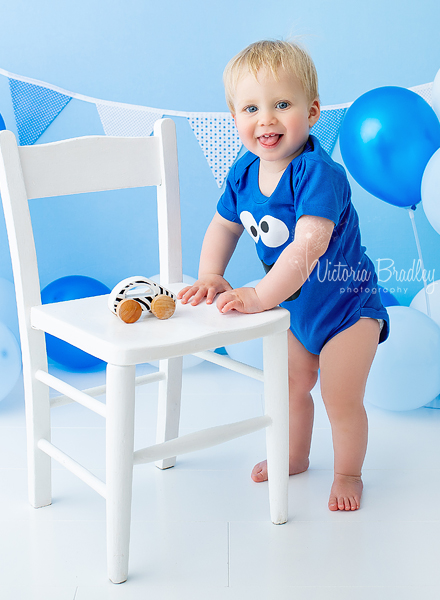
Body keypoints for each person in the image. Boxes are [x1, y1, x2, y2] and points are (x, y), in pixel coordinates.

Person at [177, 39, 390, 511]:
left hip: (348, 308)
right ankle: (294, 456)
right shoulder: (244, 172)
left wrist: (259, 295)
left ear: (312, 112)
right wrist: (211, 274)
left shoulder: (317, 174)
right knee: (290, 386)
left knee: (340, 397)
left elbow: (307, 247)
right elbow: (223, 225)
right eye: (251, 108)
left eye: (282, 104)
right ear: (235, 118)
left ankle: (349, 473)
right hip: (296, 306)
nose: (266, 119)